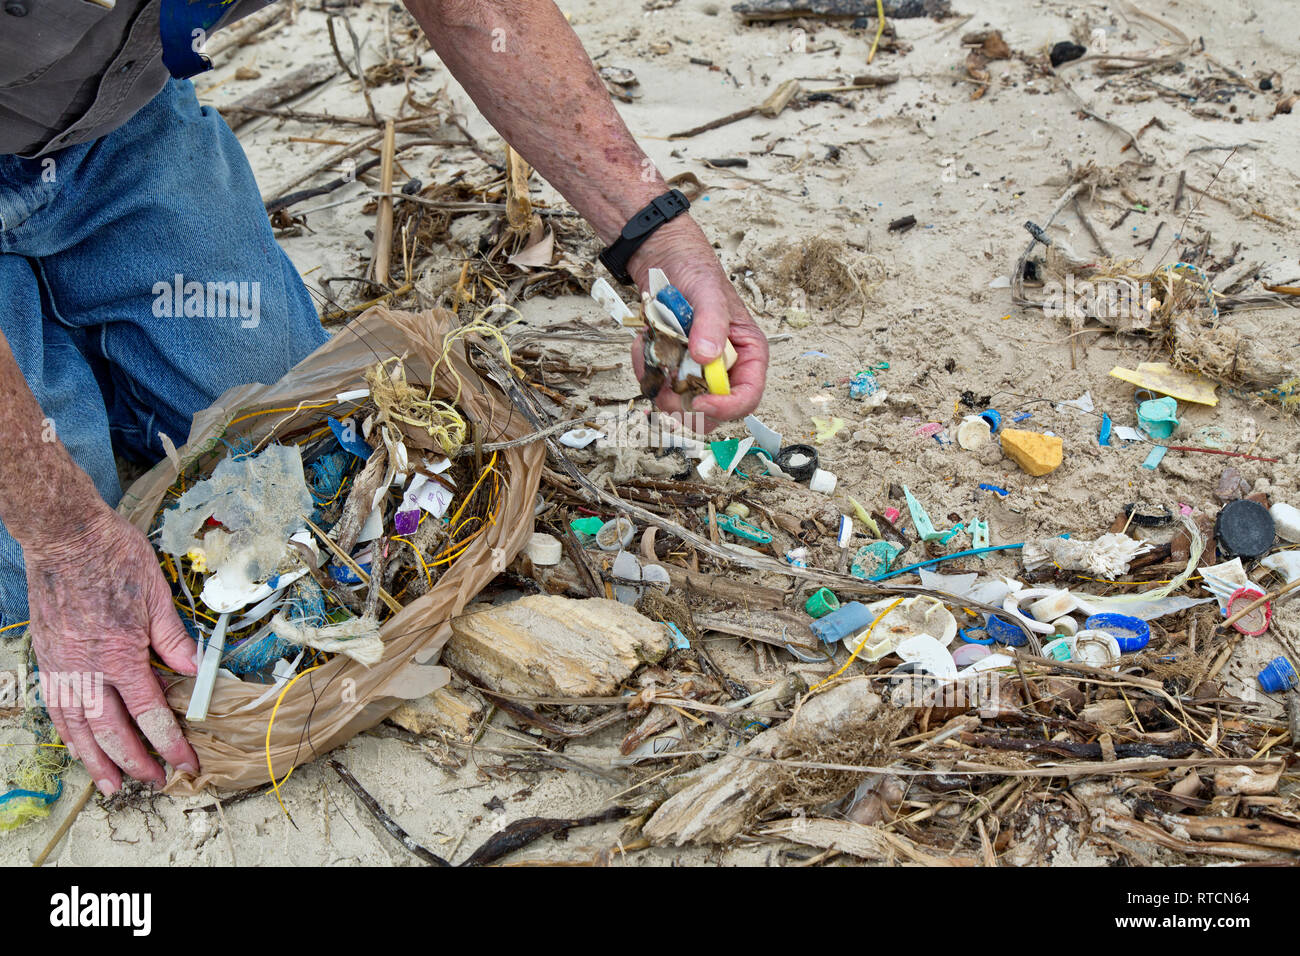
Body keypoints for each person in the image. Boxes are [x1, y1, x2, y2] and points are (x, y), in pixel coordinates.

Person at [0, 0, 769, 796]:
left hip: (109, 124)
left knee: (275, 441)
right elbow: (62, 548)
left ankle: (66, 324)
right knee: (28, 585)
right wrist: (65, 538)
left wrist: (657, 238)